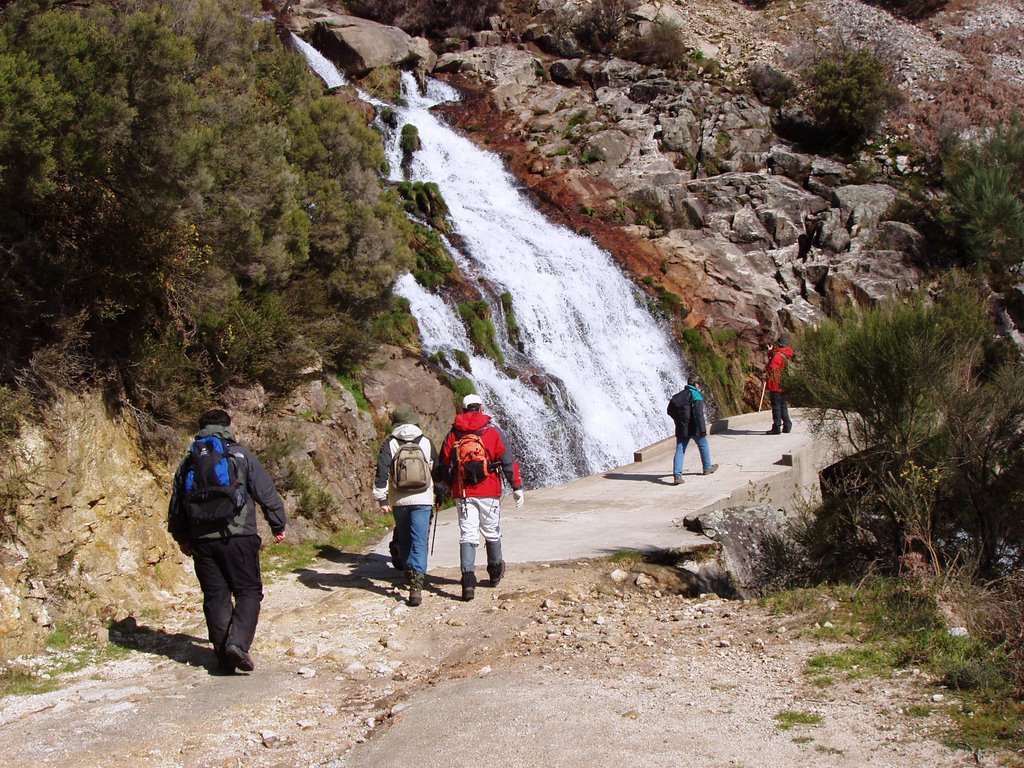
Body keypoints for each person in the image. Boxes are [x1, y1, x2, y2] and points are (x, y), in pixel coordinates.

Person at [168, 408, 286, 674]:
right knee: (248, 591)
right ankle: (237, 644)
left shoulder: (189, 461)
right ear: (228, 427)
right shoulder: (241, 454)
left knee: (216, 595)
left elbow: (177, 504)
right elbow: (265, 492)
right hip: (240, 536)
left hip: (201, 540)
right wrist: (277, 524)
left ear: (200, 429)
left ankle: (223, 657)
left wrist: (182, 538)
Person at [438, 393, 524, 601]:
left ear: (463, 408)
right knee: (491, 530)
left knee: (468, 534)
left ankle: (468, 583)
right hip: (489, 490)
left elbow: (443, 466)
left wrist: (443, 490)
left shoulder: (453, 434)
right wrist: (517, 487)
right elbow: (507, 461)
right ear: (481, 408)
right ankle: (495, 572)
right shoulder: (492, 432)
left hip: (463, 492)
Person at [373, 403, 439, 607]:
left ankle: (409, 572)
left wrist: (382, 498)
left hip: (399, 500)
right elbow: (437, 470)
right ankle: (416, 588)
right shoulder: (425, 441)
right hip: (423, 498)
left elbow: (381, 473)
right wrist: (440, 493)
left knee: (405, 538)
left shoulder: (390, 443)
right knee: (420, 540)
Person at [666, 383, 719, 485]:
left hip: (682, 428)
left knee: (680, 450)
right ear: (695, 384)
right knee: (703, 445)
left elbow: (669, 411)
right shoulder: (696, 395)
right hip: (695, 428)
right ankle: (707, 468)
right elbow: (699, 414)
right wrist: (702, 429)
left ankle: (677, 475)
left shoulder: (676, 397)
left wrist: (678, 420)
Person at [764, 336, 795, 434]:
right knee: (783, 405)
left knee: (776, 406)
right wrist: (770, 352)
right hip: (784, 383)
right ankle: (787, 425)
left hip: (776, 384)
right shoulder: (788, 353)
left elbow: (772, 367)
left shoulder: (777, 355)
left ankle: (776, 427)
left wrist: (767, 368)